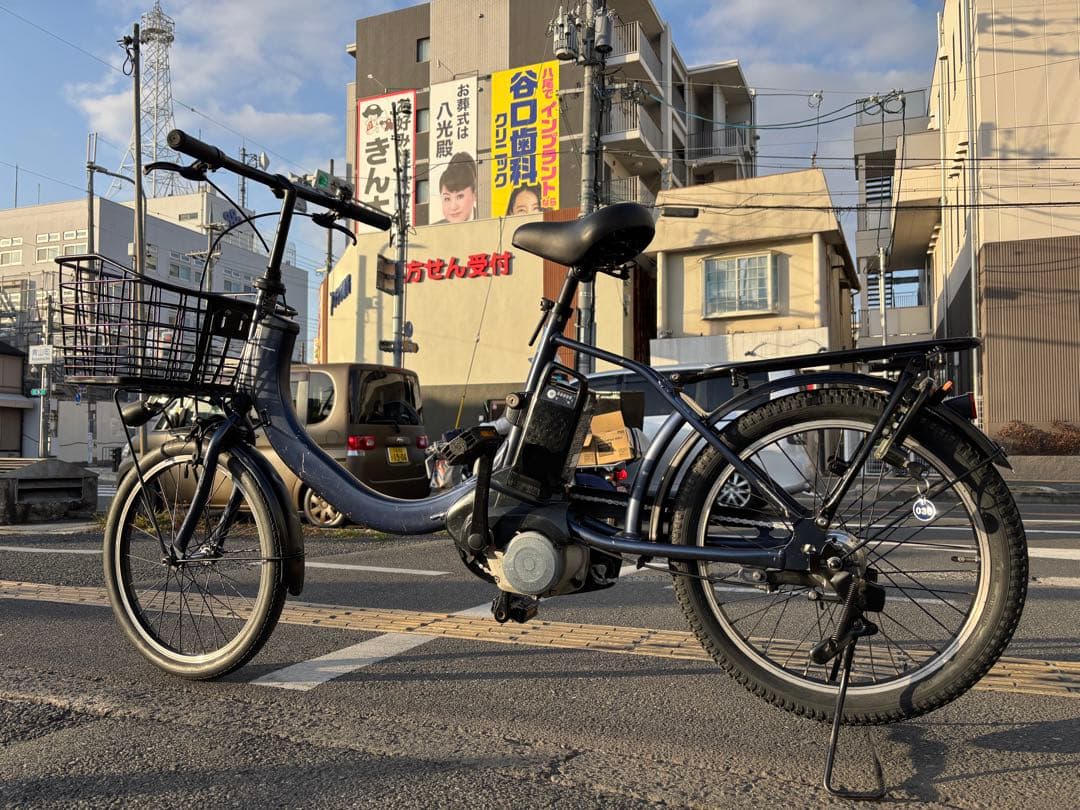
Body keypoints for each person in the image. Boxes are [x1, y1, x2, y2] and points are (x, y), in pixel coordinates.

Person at [435, 152, 477, 223]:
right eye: (447, 199)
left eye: (460, 196)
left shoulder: (489, 220)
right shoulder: (435, 228)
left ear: (474, 195)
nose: (453, 207)